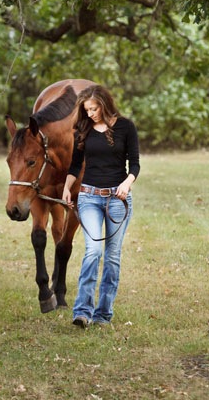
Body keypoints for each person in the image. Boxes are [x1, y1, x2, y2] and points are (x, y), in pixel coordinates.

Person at [62, 84, 139, 328]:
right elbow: (75, 166)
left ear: (104, 104)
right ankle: (82, 311)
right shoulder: (83, 130)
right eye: (87, 110)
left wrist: (127, 183)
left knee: (112, 257)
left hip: (117, 200)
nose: (91, 114)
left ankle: (103, 314)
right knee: (93, 251)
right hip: (89, 198)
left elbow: (135, 164)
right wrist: (67, 187)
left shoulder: (126, 127)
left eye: (94, 109)